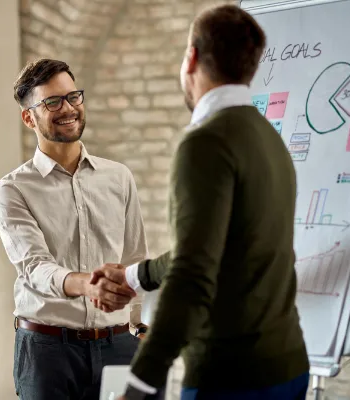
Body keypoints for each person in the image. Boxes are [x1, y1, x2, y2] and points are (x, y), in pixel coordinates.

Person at [92, 5, 310, 400]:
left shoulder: (205, 143)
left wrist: (139, 383)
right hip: (289, 365)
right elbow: (217, 248)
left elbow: (193, 274)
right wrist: (132, 276)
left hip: (231, 377)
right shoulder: (268, 137)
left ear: (190, 56)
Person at [0, 58, 158, 400]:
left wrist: (142, 324)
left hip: (120, 346)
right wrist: (88, 285)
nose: (68, 108)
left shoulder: (118, 177)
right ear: (29, 117)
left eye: (73, 97)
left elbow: (135, 257)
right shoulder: (13, 189)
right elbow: (35, 267)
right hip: (47, 353)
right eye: (52, 102)